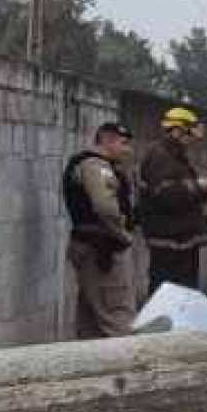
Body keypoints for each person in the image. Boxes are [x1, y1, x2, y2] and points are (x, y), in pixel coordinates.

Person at [61, 122, 140, 338]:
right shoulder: (96, 166)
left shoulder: (92, 165)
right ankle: (127, 369)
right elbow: (105, 207)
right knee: (118, 317)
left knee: (92, 320)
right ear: (106, 140)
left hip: (91, 247)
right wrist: (123, 235)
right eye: (123, 143)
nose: (127, 149)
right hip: (102, 250)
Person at [139, 106, 207, 293]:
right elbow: (167, 196)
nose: (192, 140)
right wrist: (199, 187)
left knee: (183, 297)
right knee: (166, 297)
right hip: (168, 243)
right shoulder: (160, 155)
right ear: (178, 130)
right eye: (190, 133)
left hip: (182, 242)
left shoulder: (176, 156)